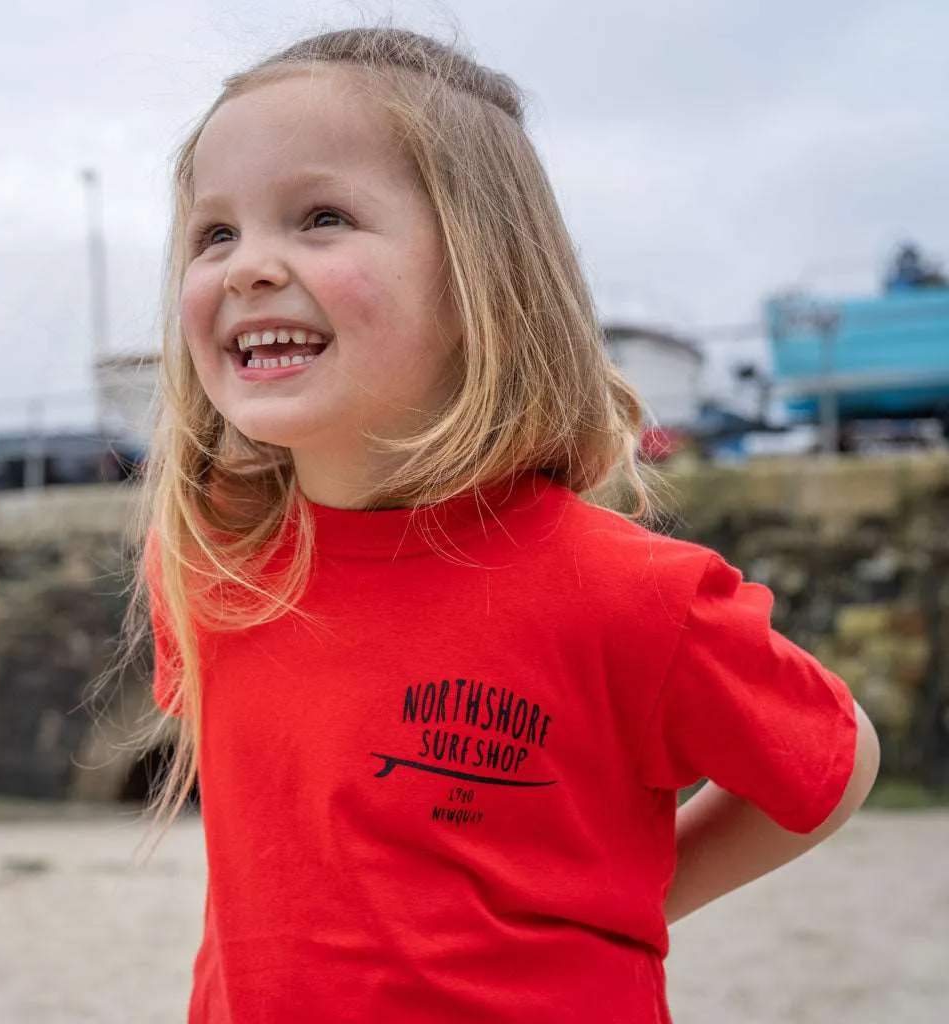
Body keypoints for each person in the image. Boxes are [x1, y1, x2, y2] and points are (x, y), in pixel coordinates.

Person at [136, 26, 880, 1024]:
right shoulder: (209, 563)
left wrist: (646, 902)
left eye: (320, 216)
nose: (250, 266)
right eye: (213, 233)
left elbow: (833, 761)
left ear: (480, 278)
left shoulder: (625, 592)